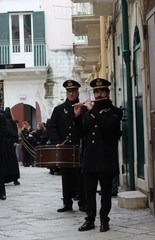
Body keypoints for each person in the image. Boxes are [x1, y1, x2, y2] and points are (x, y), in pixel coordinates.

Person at [76, 78, 123, 232]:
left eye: (102, 91)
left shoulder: (115, 111)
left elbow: (108, 126)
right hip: (90, 157)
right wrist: (77, 117)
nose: (99, 94)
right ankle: (89, 220)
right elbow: (81, 133)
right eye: (96, 91)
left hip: (106, 158)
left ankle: (104, 219)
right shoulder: (88, 112)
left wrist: (92, 110)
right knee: (89, 192)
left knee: (106, 192)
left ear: (108, 93)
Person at [47, 79, 87, 213]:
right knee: (66, 176)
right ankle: (67, 202)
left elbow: (86, 127)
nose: (70, 94)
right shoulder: (59, 110)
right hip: (65, 148)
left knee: (81, 175)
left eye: (73, 91)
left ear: (77, 92)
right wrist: (57, 142)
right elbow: (51, 127)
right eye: (68, 91)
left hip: (79, 147)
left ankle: (83, 202)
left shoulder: (84, 109)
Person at [2, 107, 20, 185]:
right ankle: (14, 179)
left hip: (6, 143)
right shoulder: (11, 122)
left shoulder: (6, 122)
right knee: (12, 161)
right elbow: (14, 133)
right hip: (10, 143)